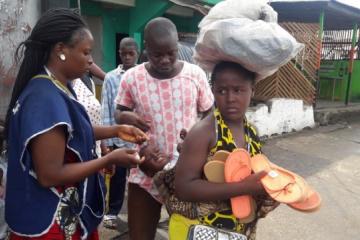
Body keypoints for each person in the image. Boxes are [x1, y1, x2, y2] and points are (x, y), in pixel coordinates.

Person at [3, 8, 147, 239]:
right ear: (61, 50)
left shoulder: (59, 85)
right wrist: (108, 159)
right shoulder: (44, 97)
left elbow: (66, 135)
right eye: (86, 52)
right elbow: (49, 174)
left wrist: (115, 130)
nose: (91, 60)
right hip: (50, 220)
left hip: (64, 211)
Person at [114, 17, 214, 240]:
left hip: (187, 173)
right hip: (144, 171)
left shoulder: (194, 74)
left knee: (188, 234)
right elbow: (119, 112)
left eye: (171, 52)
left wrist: (197, 141)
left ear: (177, 45)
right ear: (146, 49)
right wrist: (127, 116)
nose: (165, 60)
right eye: (157, 54)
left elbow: (210, 115)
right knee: (140, 235)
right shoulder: (132, 78)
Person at [174, 61, 279, 240]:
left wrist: (273, 188)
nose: (230, 98)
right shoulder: (205, 132)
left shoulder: (251, 132)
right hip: (201, 229)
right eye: (222, 91)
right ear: (213, 90)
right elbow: (183, 187)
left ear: (252, 90)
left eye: (238, 90)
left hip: (239, 229)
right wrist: (242, 187)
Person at [100, 37, 139, 229]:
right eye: (124, 53)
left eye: (131, 53)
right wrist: (106, 140)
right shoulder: (110, 77)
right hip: (118, 138)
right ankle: (112, 212)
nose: (127, 57)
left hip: (139, 139)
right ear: (119, 54)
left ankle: (138, 212)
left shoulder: (143, 75)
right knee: (116, 179)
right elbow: (107, 107)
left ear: (137, 53)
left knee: (138, 180)